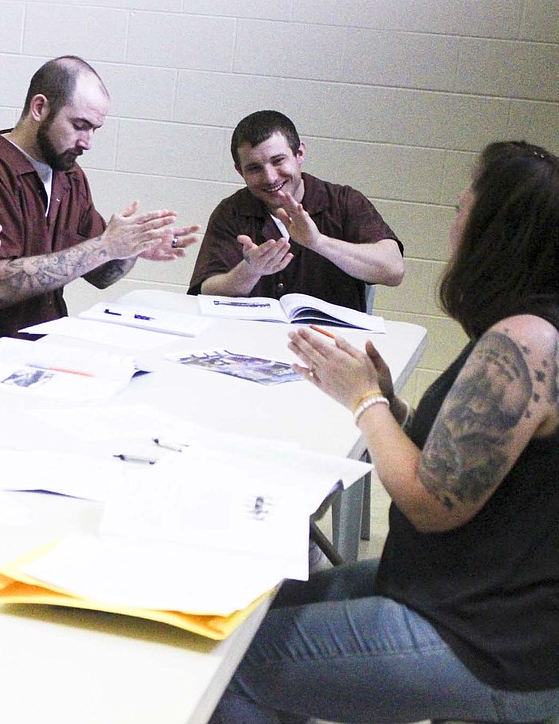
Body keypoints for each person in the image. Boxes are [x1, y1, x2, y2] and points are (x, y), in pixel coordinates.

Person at [210, 141, 559, 723]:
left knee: (229, 669)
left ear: (496, 229)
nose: (453, 221)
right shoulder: (524, 324)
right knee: (254, 609)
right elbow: (460, 463)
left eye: (460, 209)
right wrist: (389, 402)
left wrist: (364, 399)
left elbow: (430, 501)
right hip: (455, 588)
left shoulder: (527, 340)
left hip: (492, 639)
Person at [0, 55, 200, 378]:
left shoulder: (69, 176)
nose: (87, 142)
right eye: (80, 126)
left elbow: (101, 275)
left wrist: (131, 249)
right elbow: (0, 285)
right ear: (39, 108)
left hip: (44, 345)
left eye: (95, 129)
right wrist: (107, 246)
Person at [189, 110, 404, 313]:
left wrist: (319, 243)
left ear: (299, 153)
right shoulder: (231, 212)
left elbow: (393, 270)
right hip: (252, 341)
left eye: (278, 161)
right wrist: (251, 270)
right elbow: (207, 291)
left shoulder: (344, 202)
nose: (270, 177)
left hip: (330, 343)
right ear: (239, 171)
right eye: (254, 168)